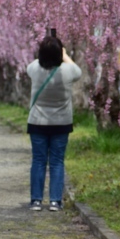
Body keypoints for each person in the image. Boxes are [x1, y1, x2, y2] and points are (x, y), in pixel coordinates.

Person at [27, 36, 82, 212]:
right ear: (60, 53)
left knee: (38, 160)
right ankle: (55, 201)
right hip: (61, 123)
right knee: (57, 162)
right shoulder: (68, 71)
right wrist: (64, 55)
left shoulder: (34, 68)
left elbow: (35, 63)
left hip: (37, 122)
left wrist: (48, 52)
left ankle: (36, 201)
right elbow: (78, 71)